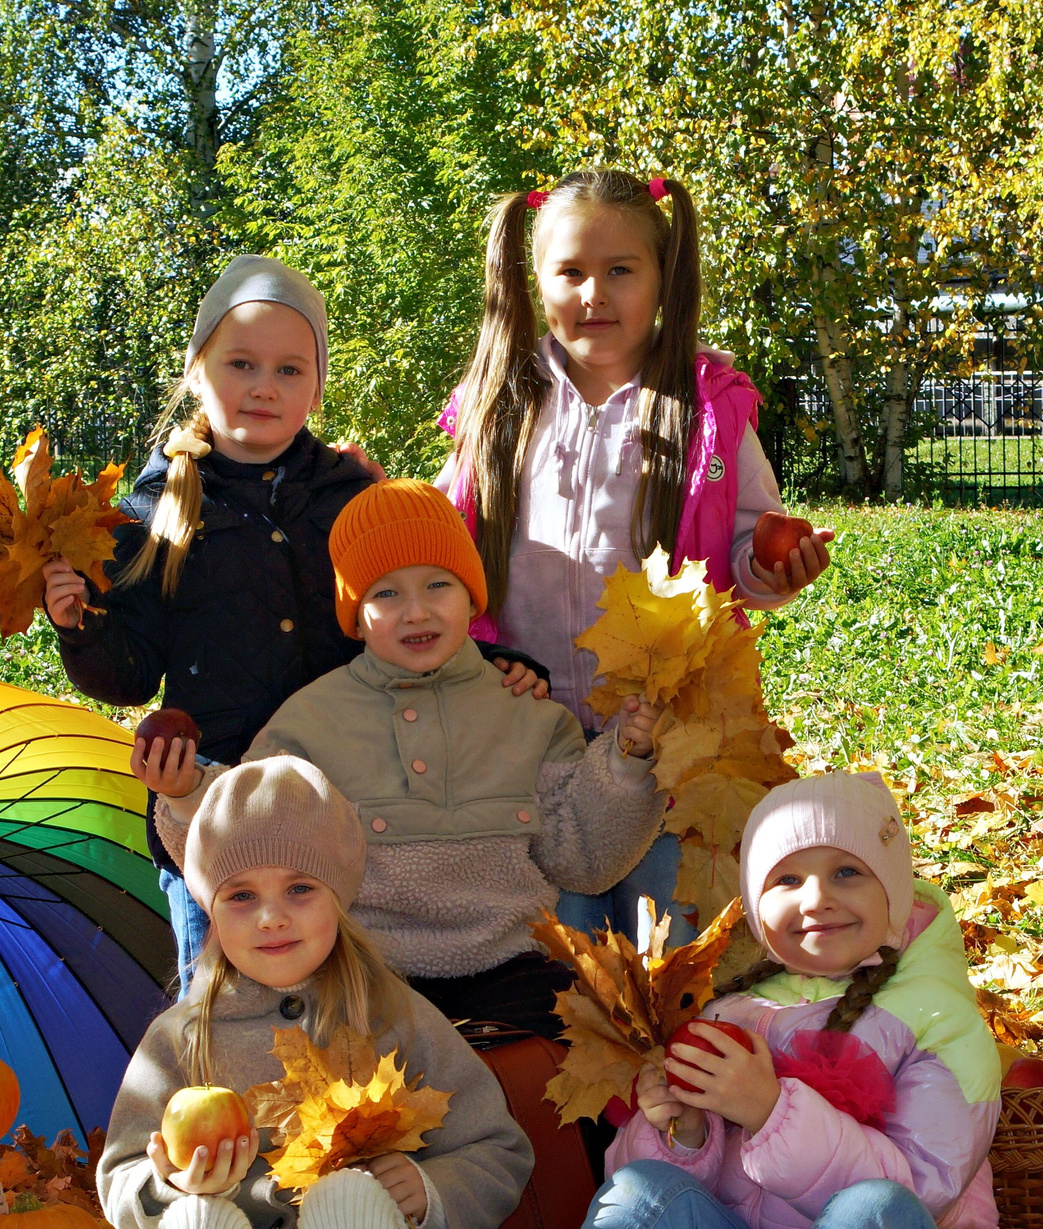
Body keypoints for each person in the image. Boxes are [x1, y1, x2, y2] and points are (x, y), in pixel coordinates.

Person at [424, 773, 1006, 1229]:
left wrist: (770, 1111)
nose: (816, 898)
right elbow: (656, 1199)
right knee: (644, 1185)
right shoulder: (733, 1009)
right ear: (758, 906)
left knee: (881, 1208)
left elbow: (924, 1192)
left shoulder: (943, 1023)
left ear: (892, 880)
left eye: (846, 872)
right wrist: (681, 1129)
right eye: (787, 878)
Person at [47, 255, 543, 985]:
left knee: (343, 1004)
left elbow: (412, 616)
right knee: (220, 1007)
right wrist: (82, 626)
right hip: (210, 807)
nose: (263, 387)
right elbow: (129, 669)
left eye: (289, 370)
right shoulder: (151, 510)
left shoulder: (350, 493)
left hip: (344, 800)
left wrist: (492, 667)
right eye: (241, 363)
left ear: (316, 384)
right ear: (196, 371)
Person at [91, 757, 533, 1229]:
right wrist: (166, 1185)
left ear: (341, 896)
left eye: (300, 889)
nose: (272, 918)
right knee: (198, 1220)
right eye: (241, 897)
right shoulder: (179, 1040)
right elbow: (121, 1171)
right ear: (210, 908)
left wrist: (426, 1191)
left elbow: (495, 1147)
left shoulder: (394, 1017)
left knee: (351, 1189)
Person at [436, 168, 836, 944]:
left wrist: (771, 565)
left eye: (620, 270)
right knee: (565, 949)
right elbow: (448, 552)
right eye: (572, 272)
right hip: (534, 739)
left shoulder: (707, 414)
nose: (595, 294)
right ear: (537, 283)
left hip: (669, 741)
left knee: (669, 940)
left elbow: (746, 547)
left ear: (661, 278)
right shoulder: (501, 404)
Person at [143, 479, 664, 1038]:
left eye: (438, 584)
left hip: (510, 965)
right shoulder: (308, 721)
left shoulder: (529, 714)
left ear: (472, 596)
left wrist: (629, 759)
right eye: (385, 594)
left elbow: (582, 856)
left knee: (552, 1069)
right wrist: (187, 793)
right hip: (360, 973)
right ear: (355, 613)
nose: (416, 611)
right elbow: (252, 839)